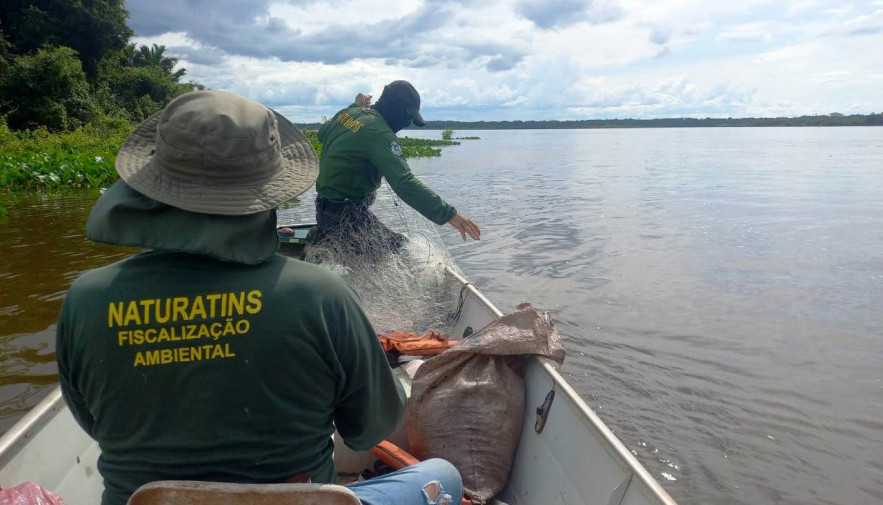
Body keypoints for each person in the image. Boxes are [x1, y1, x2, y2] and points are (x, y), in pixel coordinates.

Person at [55, 90, 463, 505]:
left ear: (152, 183)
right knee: (443, 475)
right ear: (271, 187)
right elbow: (370, 429)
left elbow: (93, 424)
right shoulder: (323, 295)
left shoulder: (85, 299)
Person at [312, 80, 480, 256]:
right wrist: (450, 214)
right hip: (345, 217)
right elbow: (404, 182)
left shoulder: (348, 113)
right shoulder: (381, 134)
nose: (408, 122)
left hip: (325, 208)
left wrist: (355, 107)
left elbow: (323, 134)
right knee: (403, 251)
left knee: (396, 245)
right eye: (408, 116)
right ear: (396, 109)